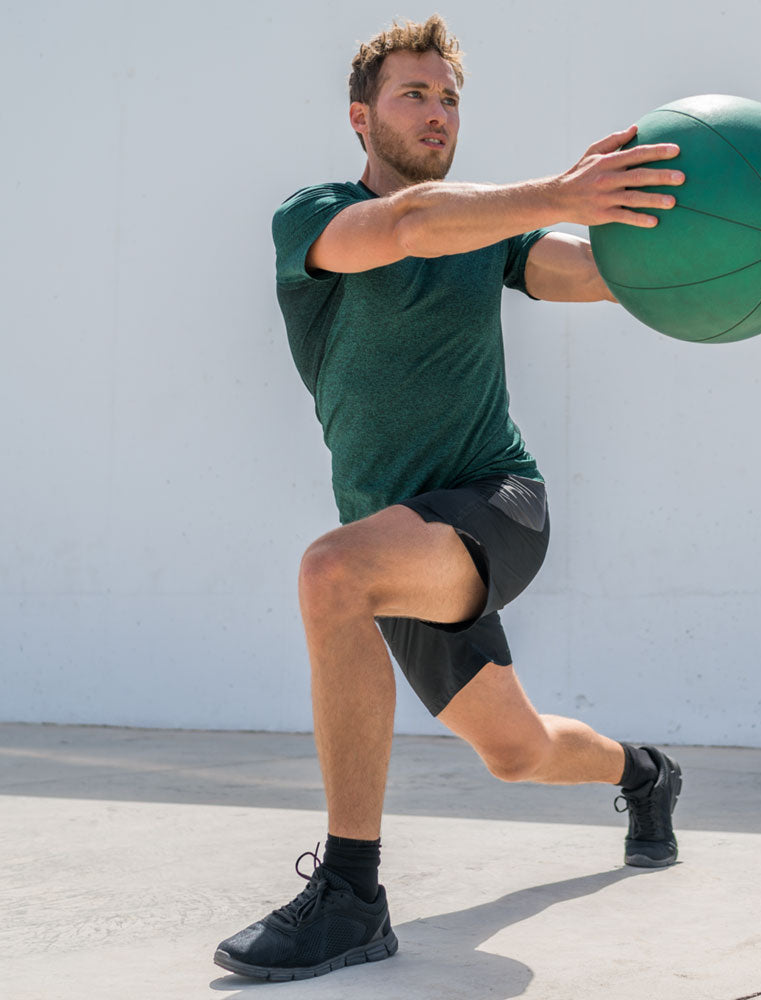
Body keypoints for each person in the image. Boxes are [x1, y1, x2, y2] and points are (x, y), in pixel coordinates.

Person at [214, 14, 686, 982]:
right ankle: (645, 773)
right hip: (405, 540)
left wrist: (692, 249)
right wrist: (553, 192)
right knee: (514, 750)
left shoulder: (492, 233)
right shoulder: (312, 219)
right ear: (360, 117)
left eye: (450, 98)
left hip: (497, 502)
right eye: (414, 94)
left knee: (330, 571)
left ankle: (350, 893)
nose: (438, 113)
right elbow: (409, 226)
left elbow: (596, 274)